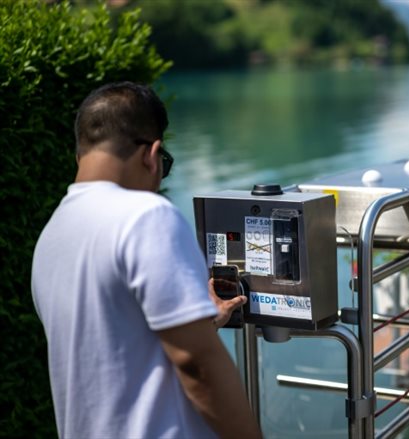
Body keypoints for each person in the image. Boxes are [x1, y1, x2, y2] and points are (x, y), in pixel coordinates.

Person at [31, 81, 262, 439]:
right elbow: (197, 365)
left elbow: (110, 348)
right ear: (151, 156)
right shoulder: (146, 216)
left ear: (81, 155)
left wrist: (202, 322)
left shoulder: (51, 236)